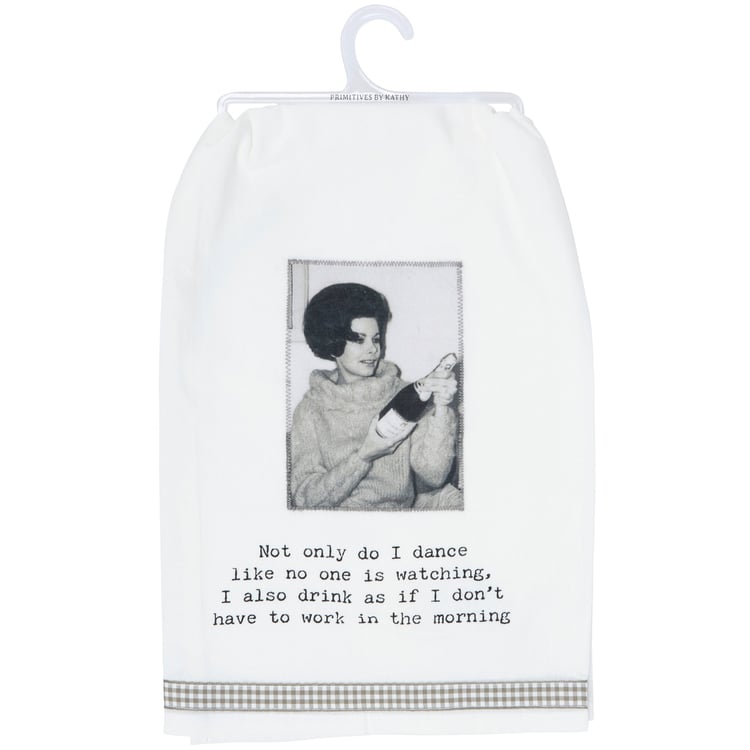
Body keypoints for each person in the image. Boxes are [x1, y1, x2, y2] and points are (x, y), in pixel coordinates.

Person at [290, 282, 460, 510]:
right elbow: (305, 499)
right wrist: (364, 456)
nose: (373, 349)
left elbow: (435, 476)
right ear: (332, 343)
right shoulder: (311, 410)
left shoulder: (405, 394)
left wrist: (441, 407)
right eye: (359, 340)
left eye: (376, 339)